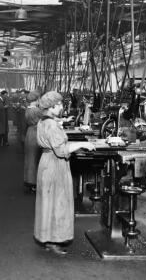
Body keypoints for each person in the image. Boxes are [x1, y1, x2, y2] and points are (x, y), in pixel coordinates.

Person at [34, 91, 95, 255]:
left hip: (46, 163)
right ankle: (55, 240)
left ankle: (48, 238)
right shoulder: (52, 125)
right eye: (59, 104)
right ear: (52, 106)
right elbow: (61, 151)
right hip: (55, 166)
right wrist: (83, 145)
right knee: (58, 202)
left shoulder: (44, 121)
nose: (62, 107)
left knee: (48, 202)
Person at [23, 90, 42, 193]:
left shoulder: (28, 109)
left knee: (30, 159)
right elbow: (45, 119)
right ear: (36, 99)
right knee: (36, 159)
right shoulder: (37, 110)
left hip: (29, 133)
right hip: (36, 133)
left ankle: (30, 182)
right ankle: (34, 183)